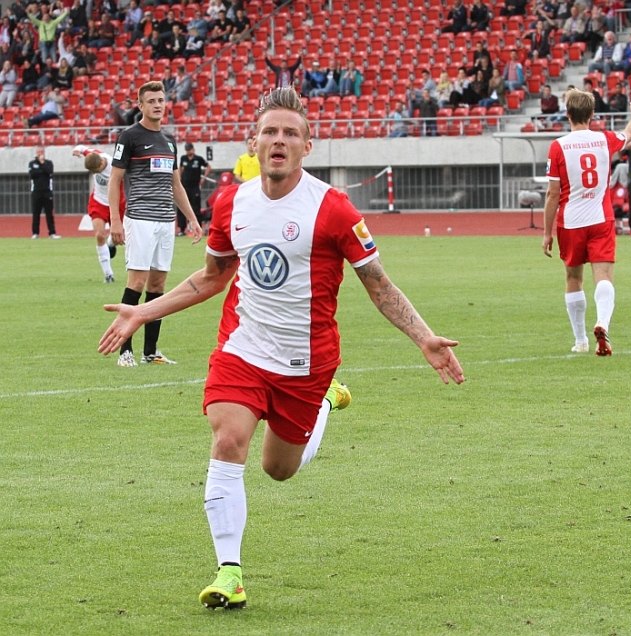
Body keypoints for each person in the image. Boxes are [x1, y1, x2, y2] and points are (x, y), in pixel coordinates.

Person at [96, 87, 465, 610]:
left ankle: (323, 402)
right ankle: (230, 573)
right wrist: (143, 311)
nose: (279, 140)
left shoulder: (333, 209)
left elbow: (378, 284)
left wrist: (423, 335)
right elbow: (212, 277)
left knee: (278, 470)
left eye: (291, 133)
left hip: (306, 360)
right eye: (270, 131)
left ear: (306, 147)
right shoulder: (232, 201)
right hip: (242, 348)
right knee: (227, 440)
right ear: (253, 142)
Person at [107, 80, 203, 368]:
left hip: (165, 222)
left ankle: (151, 351)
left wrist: (192, 219)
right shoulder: (129, 137)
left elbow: (176, 185)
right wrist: (115, 219)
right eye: (151, 101)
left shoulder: (170, 140)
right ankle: (126, 351)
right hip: (139, 219)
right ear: (141, 105)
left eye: (161, 100)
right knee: (136, 282)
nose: (158, 105)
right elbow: (114, 180)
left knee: (158, 285)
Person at [542, 89, 631, 355]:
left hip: (571, 220)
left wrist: (546, 232)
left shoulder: (558, 146)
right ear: (592, 114)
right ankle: (603, 323)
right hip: (600, 218)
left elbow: (553, 193)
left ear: (567, 114)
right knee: (604, 276)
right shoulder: (603, 139)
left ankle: (580, 340)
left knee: (573, 277)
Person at [73, 144, 124, 282]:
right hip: (98, 202)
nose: (96, 173)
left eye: (97, 170)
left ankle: (110, 244)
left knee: (120, 238)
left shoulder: (115, 165)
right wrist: (76, 150)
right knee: (99, 235)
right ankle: (108, 275)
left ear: (102, 163)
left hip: (117, 202)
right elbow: (82, 147)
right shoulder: (93, 155)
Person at [178, 142, 211, 236]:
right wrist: (179, 178)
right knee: (181, 207)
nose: (188, 151)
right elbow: (180, 168)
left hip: (195, 186)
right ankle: (181, 229)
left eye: (190, 149)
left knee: (196, 207)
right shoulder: (183, 158)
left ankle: (198, 227)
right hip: (185, 186)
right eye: (187, 150)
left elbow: (208, 167)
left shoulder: (198, 159)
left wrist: (203, 178)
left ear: (193, 149)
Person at [28, 145, 60, 239]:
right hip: (36, 192)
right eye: (38, 152)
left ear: (44, 152)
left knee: (49, 214)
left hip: (47, 192)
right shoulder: (32, 163)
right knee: (36, 214)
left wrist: (42, 164)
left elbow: (49, 171)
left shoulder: (48, 163)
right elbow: (32, 174)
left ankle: (52, 233)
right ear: (36, 153)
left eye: (41, 152)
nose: (40, 153)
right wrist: (41, 171)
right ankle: (35, 233)